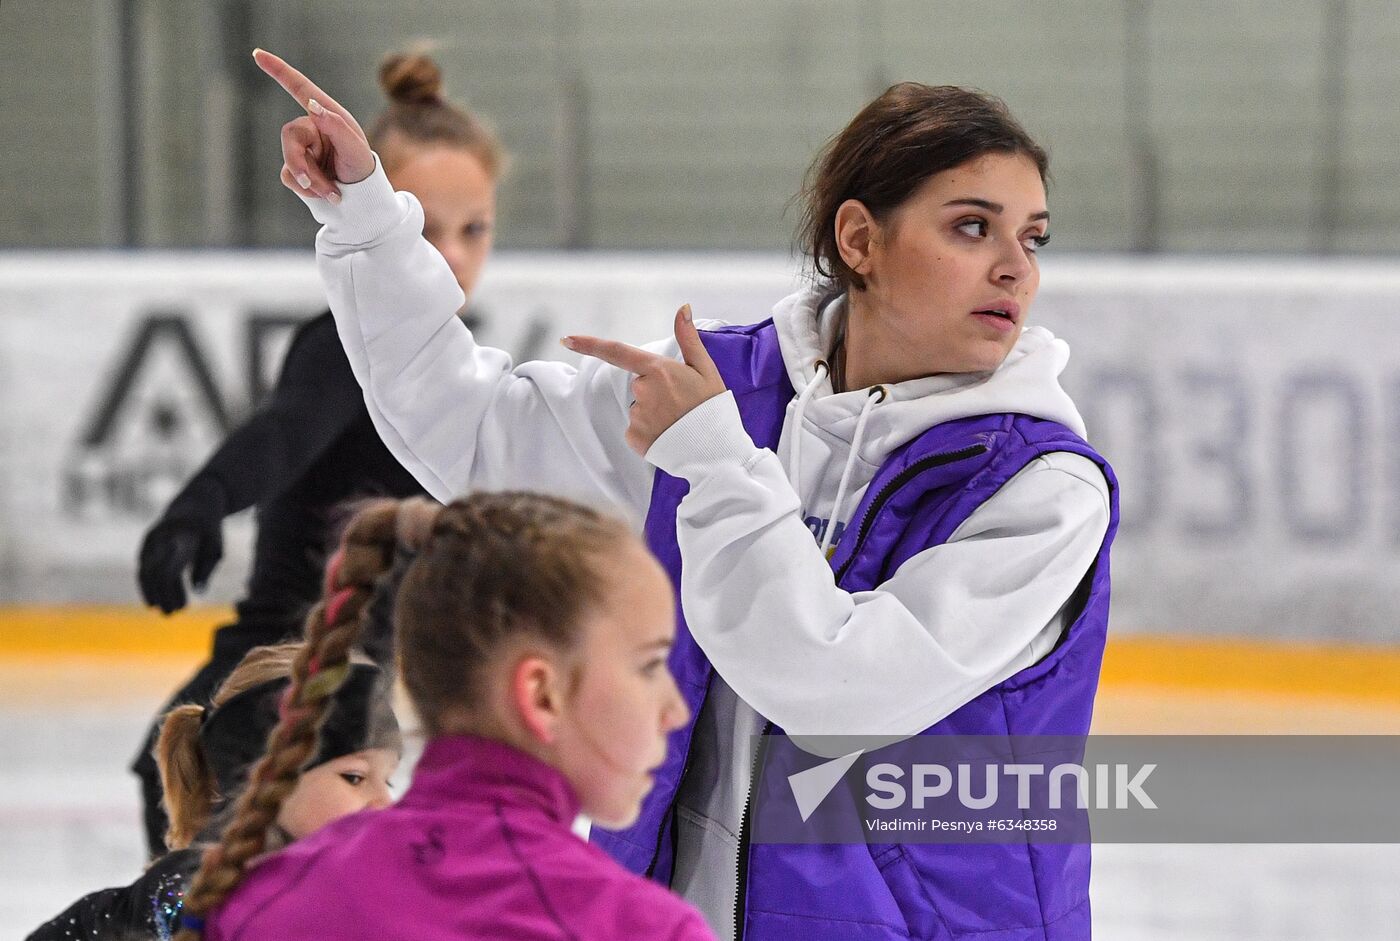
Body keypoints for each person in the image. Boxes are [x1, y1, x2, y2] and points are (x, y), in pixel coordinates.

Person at [256, 48, 1118, 940]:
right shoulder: (721, 394)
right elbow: (468, 425)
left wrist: (713, 461)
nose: (1018, 268)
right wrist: (365, 221)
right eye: (973, 227)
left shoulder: (1040, 489)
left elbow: (833, 691)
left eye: (1033, 236)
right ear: (859, 240)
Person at [131, 48, 502, 857]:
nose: (455, 255)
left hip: (345, 684)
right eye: (427, 226)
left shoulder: (456, 364)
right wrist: (200, 503)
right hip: (287, 665)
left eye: (474, 229)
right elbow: (285, 431)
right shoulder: (349, 343)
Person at [172, 493, 715, 941]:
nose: (674, 709)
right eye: (648, 666)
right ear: (540, 694)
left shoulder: (260, 901)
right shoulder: (636, 928)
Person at [27, 642, 400, 941]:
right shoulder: (197, 894)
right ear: (262, 782)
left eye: (390, 779)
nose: (385, 803)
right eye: (354, 777)